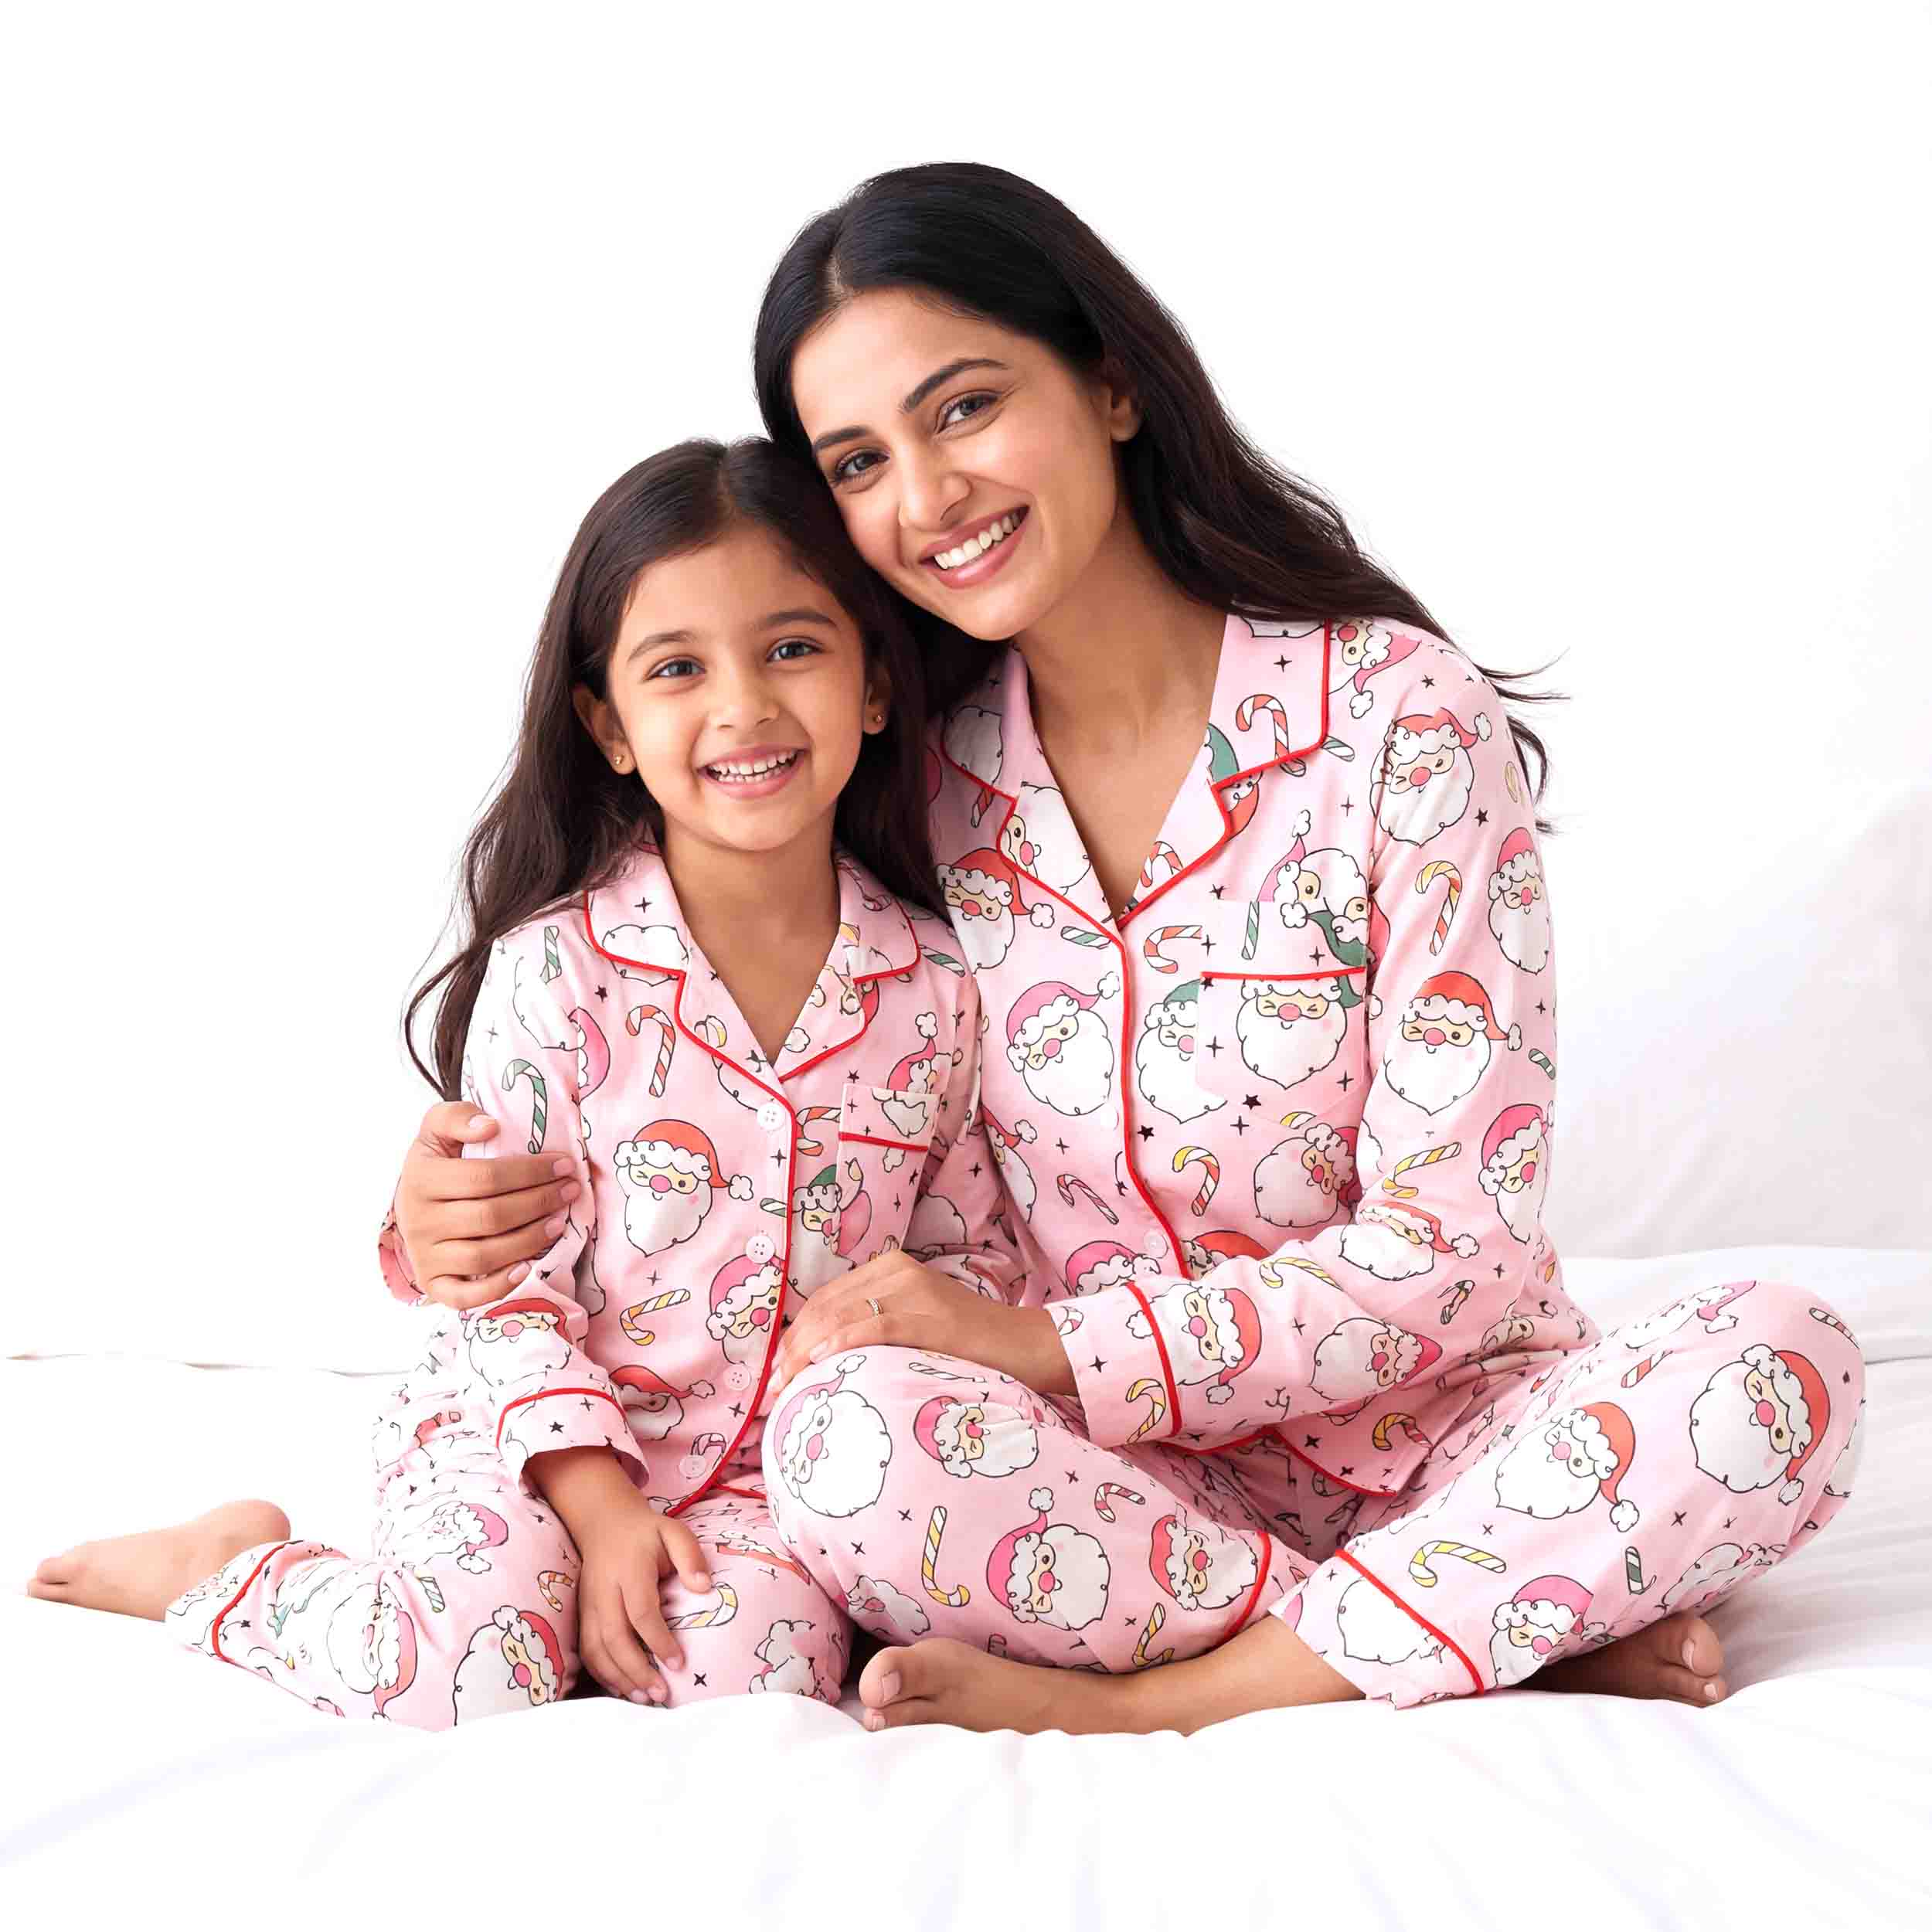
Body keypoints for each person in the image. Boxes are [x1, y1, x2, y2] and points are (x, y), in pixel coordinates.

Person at [383, 165, 1869, 1735]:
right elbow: (751, 1093)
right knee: (841, 1443)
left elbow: (1462, 1248)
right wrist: (452, 1211)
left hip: (1447, 1433)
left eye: (961, 409)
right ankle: (1481, 1617)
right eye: (858, 463)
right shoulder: (905, 775)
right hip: (1104, 1491)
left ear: (1105, 380)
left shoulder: (1389, 719)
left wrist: (1041, 1339)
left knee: (1785, 1364)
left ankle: (1195, 1687)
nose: (925, 495)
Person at [28, 438, 1061, 1725]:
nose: (741, 707)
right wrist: (601, 1507)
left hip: (764, 1484)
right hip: (524, 1445)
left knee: (761, 1679)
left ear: (872, 686)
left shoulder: (937, 989)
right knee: (470, 1671)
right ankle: (232, 1569)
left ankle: (597, 1612)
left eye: (792, 648)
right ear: (610, 728)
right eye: (677, 670)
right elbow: (503, 1287)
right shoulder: (554, 976)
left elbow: (965, 1260)